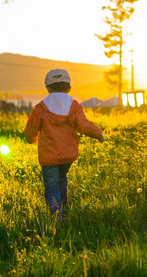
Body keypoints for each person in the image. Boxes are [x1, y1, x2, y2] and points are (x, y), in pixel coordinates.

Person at [24, 69, 104, 218]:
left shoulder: (42, 107)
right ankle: (63, 210)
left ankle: (56, 218)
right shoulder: (74, 106)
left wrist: (30, 139)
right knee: (62, 180)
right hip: (67, 155)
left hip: (48, 157)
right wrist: (98, 134)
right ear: (69, 88)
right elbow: (84, 125)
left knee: (51, 186)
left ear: (48, 88)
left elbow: (31, 128)